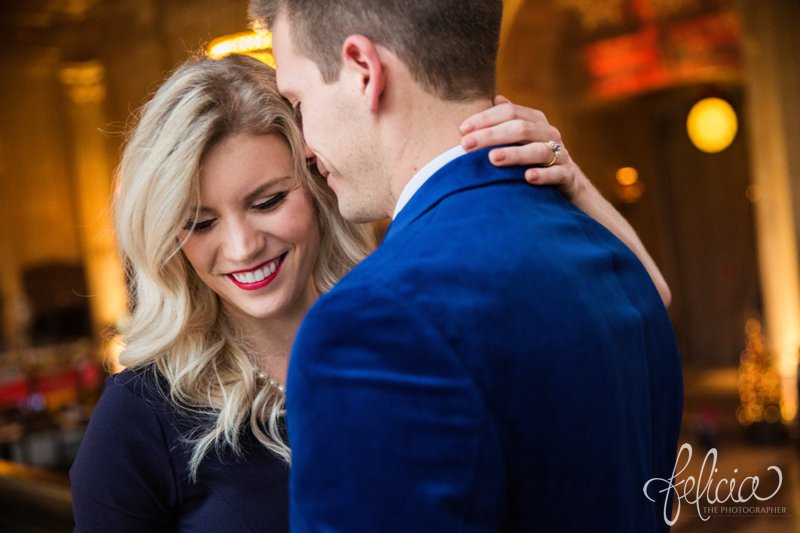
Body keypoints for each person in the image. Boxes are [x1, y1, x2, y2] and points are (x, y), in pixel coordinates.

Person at [68, 51, 661, 531]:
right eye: (201, 223)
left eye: (268, 200)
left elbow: (642, 306)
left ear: (318, 183)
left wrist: (573, 180)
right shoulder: (138, 417)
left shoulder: (403, 320)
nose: (244, 245)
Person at [251, 0, 683, 531]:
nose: (305, 142)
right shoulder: (618, 265)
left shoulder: (368, 325)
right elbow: (655, 295)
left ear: (364, 70)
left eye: (298, 100)